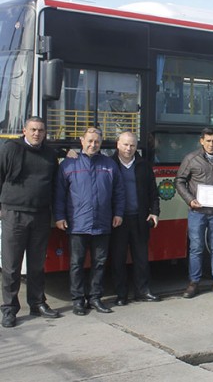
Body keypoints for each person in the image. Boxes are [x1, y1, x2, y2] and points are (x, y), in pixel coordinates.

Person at [54, 127, 125, 316]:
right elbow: (60, 194)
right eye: (90, 141)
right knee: (76, 263)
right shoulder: (68, 165)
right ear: (81, 140)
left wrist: (118, 213)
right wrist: (59, 216)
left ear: (101, 144)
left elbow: (119, 192)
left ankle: (95, 298)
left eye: (97, 142)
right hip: (77, 224)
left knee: (99, 263)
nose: (93, 145)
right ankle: (78, 300)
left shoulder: (109, 165)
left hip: (103, 223)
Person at [0, 117, 59, 328]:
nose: (37, 133)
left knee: (36, 265)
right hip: (14, 214)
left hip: (41, 216)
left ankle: (37, 303)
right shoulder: (11, 149)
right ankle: (9, 309)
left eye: (41, 130)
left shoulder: (50, 155)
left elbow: (54, 184)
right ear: (24, 130)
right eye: (33, 129)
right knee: (11, 266)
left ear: (45, 133)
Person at [175, 127, 213, 299]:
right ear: (201, 141)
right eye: (208, 141)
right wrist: (189, 200)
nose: (211, 144)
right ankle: (194, 283)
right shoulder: (191, 159)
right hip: (197, 212)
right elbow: (179, 181)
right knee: (196, 248)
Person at [110, 131, 161, 306]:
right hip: (118, 221)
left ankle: (143, 291)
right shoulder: (109, 164)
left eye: (132, 145)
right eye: (125, 144)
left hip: (140, 219)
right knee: (118, 259)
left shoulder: (143, 165)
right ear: (118, 144)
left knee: (141, 258)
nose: (128, 148)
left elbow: (153, 192)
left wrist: (155, 212)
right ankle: (121, 294)